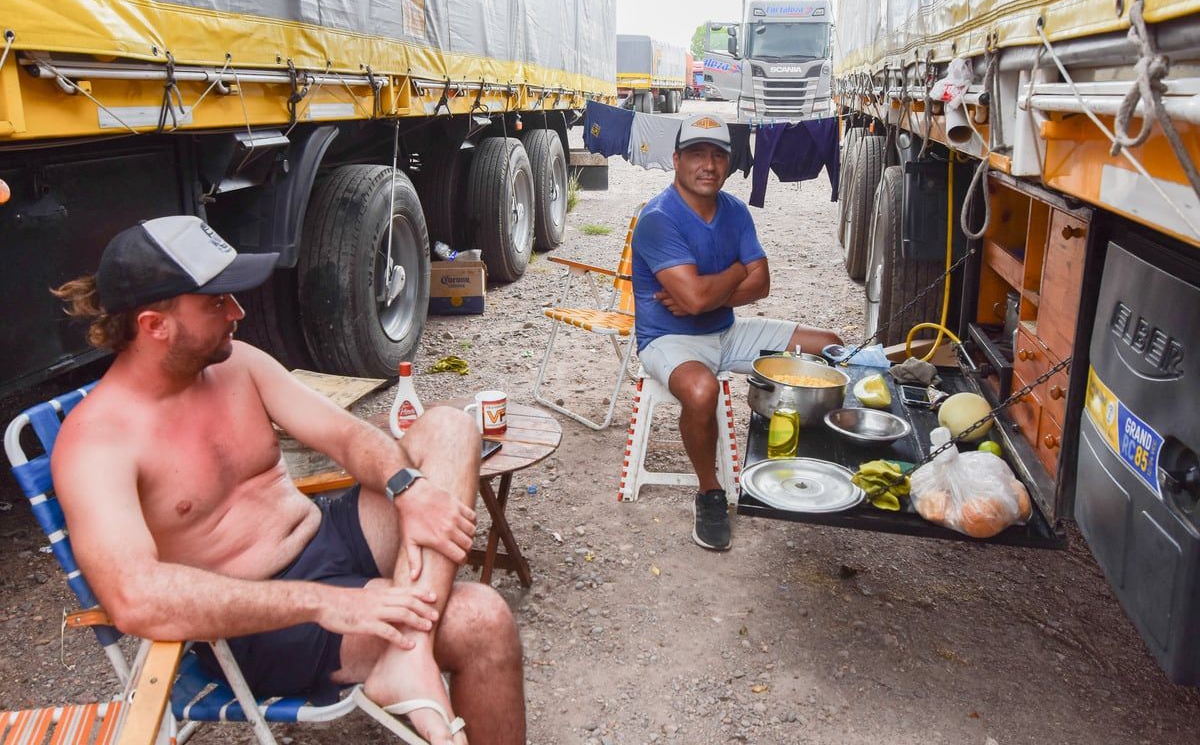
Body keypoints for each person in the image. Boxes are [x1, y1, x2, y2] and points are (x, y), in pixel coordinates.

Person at [49, 216, 523, 745]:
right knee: (481, 619)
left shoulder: (235, 365)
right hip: (262, 620)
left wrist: (405, 489)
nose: (239, 312)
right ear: (154, 324)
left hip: (330, 537)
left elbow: (346, 436)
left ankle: (408, 651)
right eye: (216, 303)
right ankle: (410, 652)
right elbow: (136, 599)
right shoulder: (97, 443)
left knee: (451, 428)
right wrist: (326, 603)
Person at [631, 114, 844, 551]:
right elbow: (696, 300)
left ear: (729, 163)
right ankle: (710, 492)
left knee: (830, 346)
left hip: (727, 332)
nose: (708, 164)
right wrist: (732, 273)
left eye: (717, 154)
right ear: (675, 160)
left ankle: (811, 462)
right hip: (668, 339)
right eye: (696, 154)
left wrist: (708, 293)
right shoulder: (658, 218)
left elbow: (761, 283)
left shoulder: (735, 210)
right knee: (703, 390)